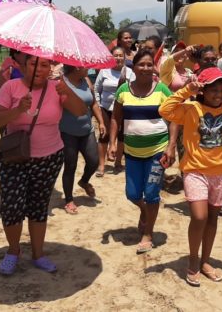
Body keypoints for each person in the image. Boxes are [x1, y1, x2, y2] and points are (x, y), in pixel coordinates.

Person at [159, 67, 222, 286]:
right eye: (213, 89)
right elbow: (165, 110)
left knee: (213, 219)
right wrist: (186, 90)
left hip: (220, 173)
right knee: (199, 217)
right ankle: (193, 259)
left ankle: (206, 260)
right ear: (203, 90)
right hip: (195, 171)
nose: (218, 94)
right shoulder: (190, 108)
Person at [0, 55, 87, 275]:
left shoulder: (57, 87)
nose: (39, 69)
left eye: (45, 64)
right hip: (15, 157)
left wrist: (66, 91)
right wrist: (17, 110)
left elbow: (81, 111)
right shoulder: (11, 87)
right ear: (24, 66)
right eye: (34, 63)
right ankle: (13, 252)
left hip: (49, 157)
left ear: (50, 68)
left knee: (38, 206)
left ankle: (38, 254)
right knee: (12, 206)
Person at [109, 49, 178, 254]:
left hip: (158, 152)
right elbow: (115, 117)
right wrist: (113, 143)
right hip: (131, 152)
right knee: (132, 193)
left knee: (151, 194)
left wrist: (171, 146)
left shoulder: (162, 90)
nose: (146, 68)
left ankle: (148, 234)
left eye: (149, 64)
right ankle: (145, 212)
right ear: (134, 66)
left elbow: (174, 118)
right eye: (141, 64)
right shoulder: (123, 90)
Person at [59, 65, 105, 214]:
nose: (89, 69)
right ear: (76, 68)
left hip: (86, 129)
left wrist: (101, 122)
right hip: (67, 132)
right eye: (85, 67)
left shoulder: (85, 80)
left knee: (94, 161)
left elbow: (93, 103)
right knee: (70, 166)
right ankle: (69, 199)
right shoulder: (61, 82)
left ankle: (84, 181)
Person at [94, 46, 125, 177]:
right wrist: (98, 105)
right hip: (106, 108)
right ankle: (101, 165)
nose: (118, 58)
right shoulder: (104, 71)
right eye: (115, 55)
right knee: (104, 135)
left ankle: (118, 162)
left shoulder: (129, 72)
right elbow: (96, 89)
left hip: (123, 109)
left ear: (124, 57)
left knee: (122, 136)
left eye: (120, 55)